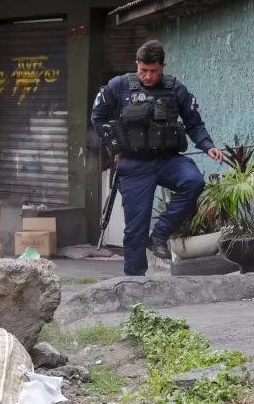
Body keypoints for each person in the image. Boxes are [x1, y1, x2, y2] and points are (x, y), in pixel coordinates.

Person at [91, 40, 223, 276]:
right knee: (135, 229)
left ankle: (160, 234)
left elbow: (194, 123)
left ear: (163, 66)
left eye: (153, 71)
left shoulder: (175, 88)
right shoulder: (119, 86)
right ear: (137, 65)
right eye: (143, 70)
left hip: (167, 160)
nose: (148, 76)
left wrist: (207, 146)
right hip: (134, 164)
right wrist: (113, 147)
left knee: (193, 181)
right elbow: (98, 117)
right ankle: (134, 282)